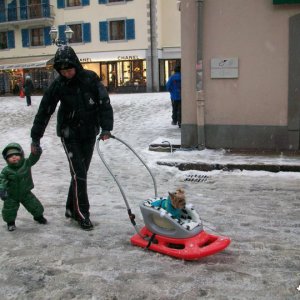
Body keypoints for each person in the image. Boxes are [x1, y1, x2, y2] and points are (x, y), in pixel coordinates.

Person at [30, 45, 114, 231]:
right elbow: (45, 110)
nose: (67, 74)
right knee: (79, 173)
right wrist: (36, 137)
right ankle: (82, 214)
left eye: (69, 70)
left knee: (80, 173)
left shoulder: (90, 79)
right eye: (63, 71)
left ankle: (70, 207)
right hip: (69, 133)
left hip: (89, 132)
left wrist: (106, 127)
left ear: (76, 65)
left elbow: (104, 102)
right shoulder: (59, 84)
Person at [0, 143, 47, 231]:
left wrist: (36, 153)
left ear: (21, 155)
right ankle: (10, 223)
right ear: (6, 159)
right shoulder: (6, 171)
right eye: (10, 156)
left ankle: (39, 217)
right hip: (11, 195)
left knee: (34, 205)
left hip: (25, 193)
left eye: (16, 155)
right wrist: (2, 190)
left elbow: (33, 158)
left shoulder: (26, 163)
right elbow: (2, 181)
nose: (14, 157)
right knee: (9, 210)